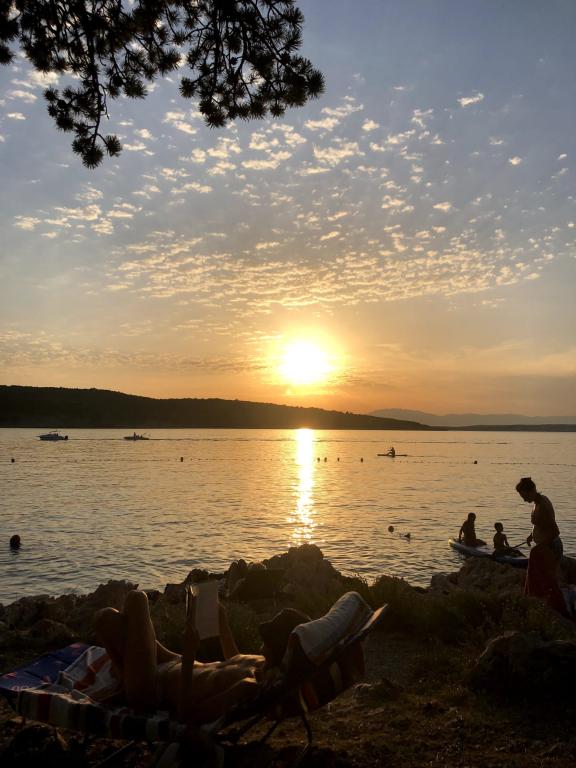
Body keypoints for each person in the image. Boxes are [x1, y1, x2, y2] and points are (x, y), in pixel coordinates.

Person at [93, 588, 309, 725]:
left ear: (278, 648)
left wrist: (189, 655)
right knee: (108, 620)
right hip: (172, 661)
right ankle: (125, 678)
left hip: (152, 688)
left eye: (269, 637)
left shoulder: (249, 686)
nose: (263, 636)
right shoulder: (261, 663)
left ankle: (127, 686)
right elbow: (234, 658)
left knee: (136, 599)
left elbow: (188, 716)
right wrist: (221, 620)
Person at [516, 477, 568, 617]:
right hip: (543, 547)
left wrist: (539, 548)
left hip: (550, 548)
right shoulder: (538, 502)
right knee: (539, 579)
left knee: (548, 581)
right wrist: (531, 535)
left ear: (532, 490)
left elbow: (555, 531)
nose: (524, 500)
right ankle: (540, 606)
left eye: (525, 496)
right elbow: (541, 525)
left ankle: (560, 612)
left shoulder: (543, 505)